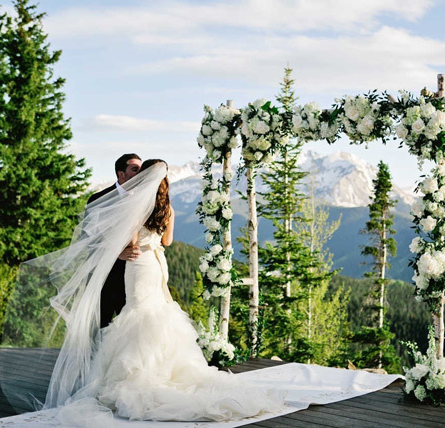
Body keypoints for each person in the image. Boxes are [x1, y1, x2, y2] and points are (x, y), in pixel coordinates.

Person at [43, 159, 285, 423]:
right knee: (157, 310)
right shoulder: (167, 208)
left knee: (138, 312)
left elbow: (131, 242)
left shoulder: (137, 205)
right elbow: (167, 241)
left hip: (138, 264)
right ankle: (164, 370)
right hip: (158, 263)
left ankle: (139, 373)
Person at [87, 153, 143, 328]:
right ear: (121, 174)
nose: (140, 173)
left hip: (137, 272)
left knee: (131, 325)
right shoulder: (98, 200)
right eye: (135, 169)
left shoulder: (146, 200)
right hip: (106, 273)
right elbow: (90, 239)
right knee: (102, 324)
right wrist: (117, 253)